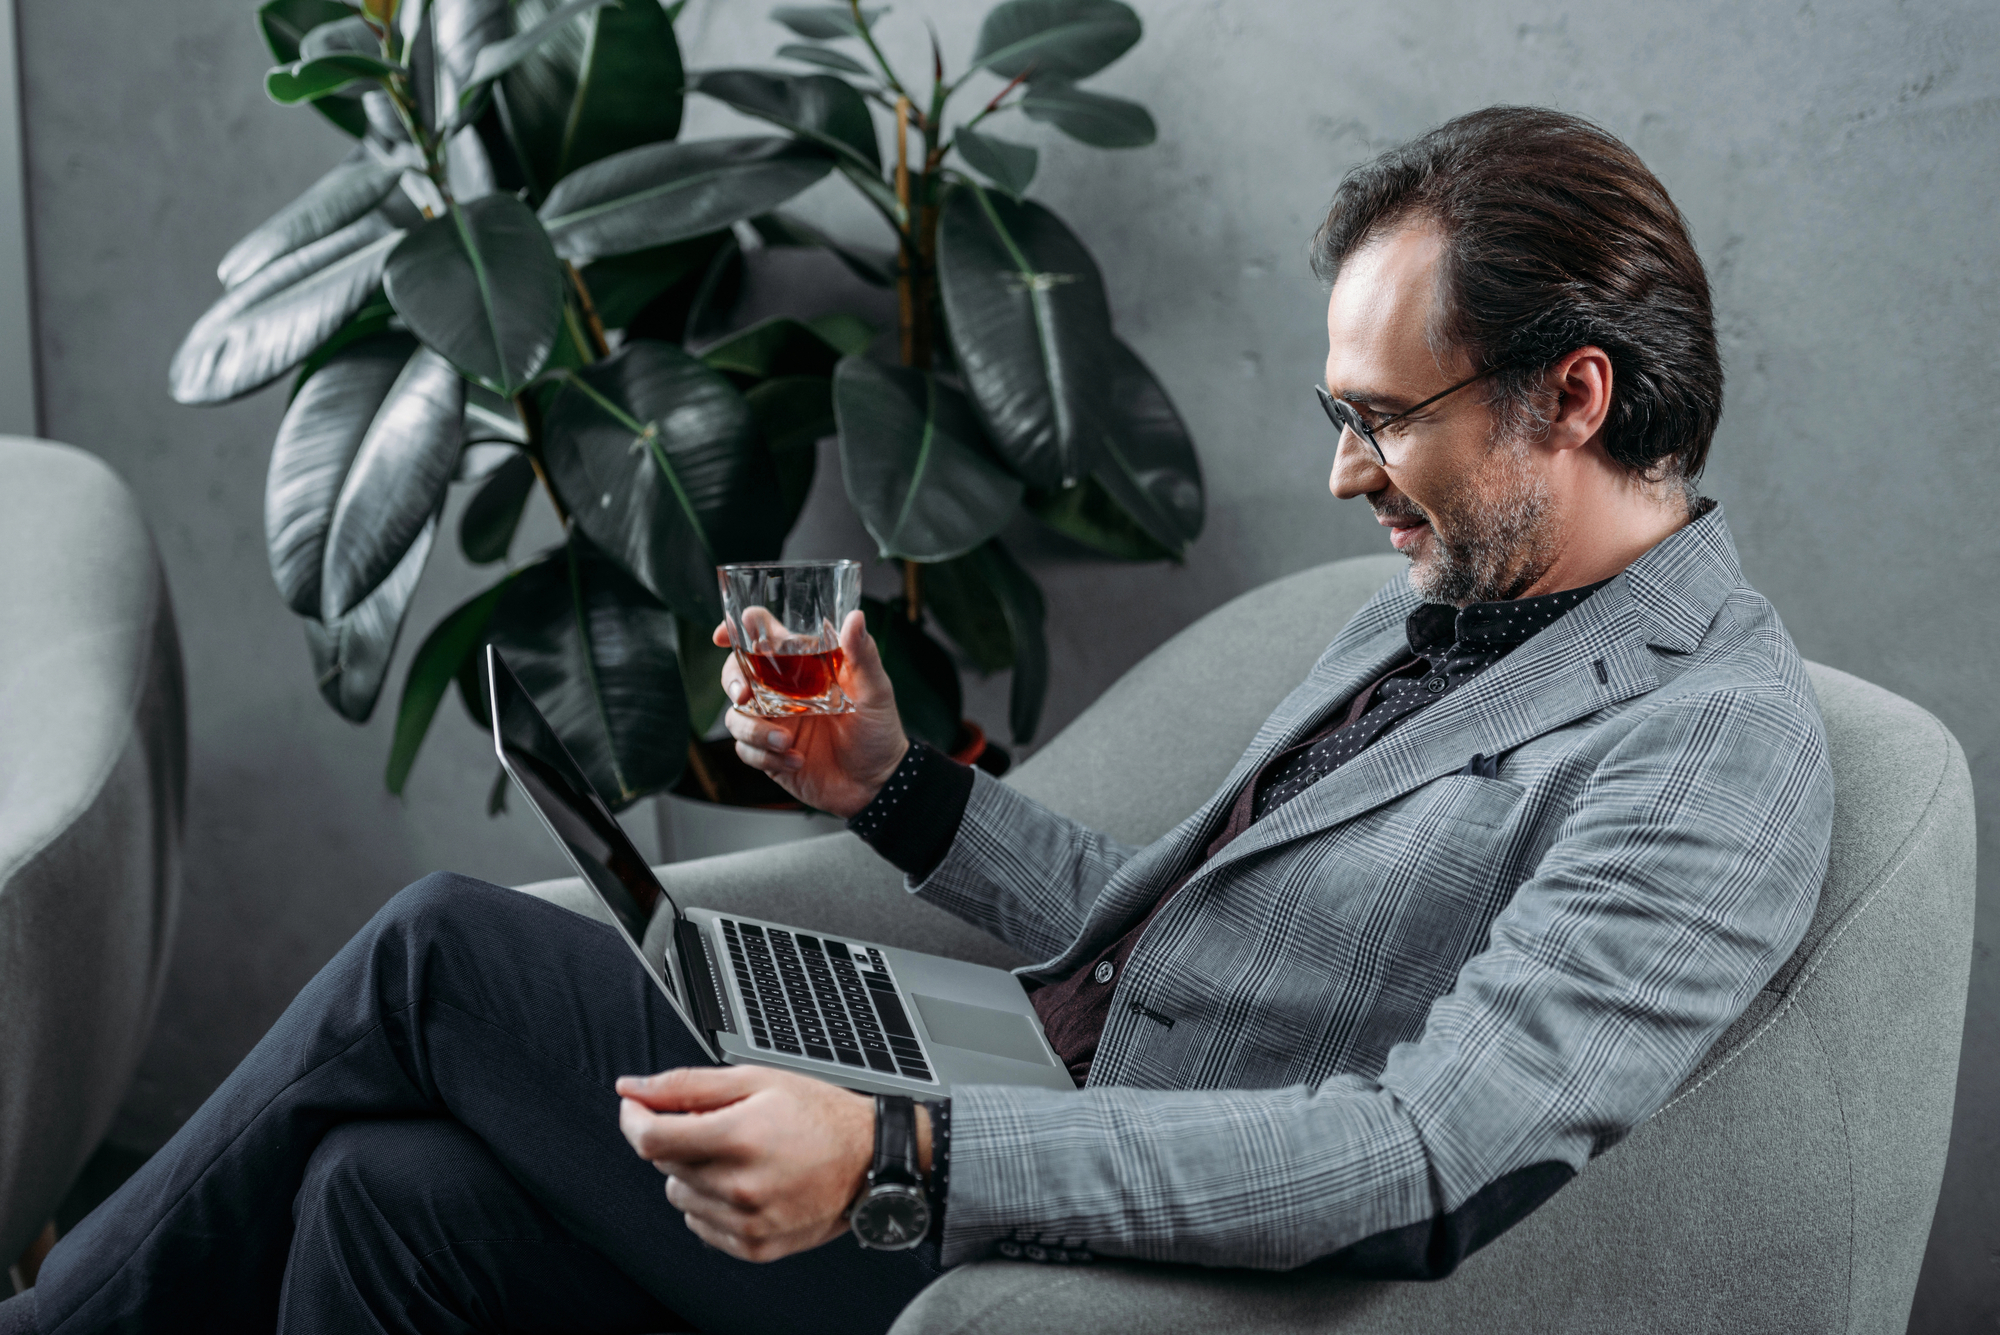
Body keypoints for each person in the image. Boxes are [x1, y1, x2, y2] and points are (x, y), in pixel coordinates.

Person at [1, 105, 1833, 1335]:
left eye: (1383, 416)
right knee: (371, 1198)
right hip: (1005, 1095)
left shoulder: (1706, 746)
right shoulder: (1435, 606)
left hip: (1069, 1245)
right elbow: (1176, 937)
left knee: (432, 961)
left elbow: (1430, 1154)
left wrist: (898, 1153)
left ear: (1571, 396)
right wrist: (891, 791)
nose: (1343, 470)